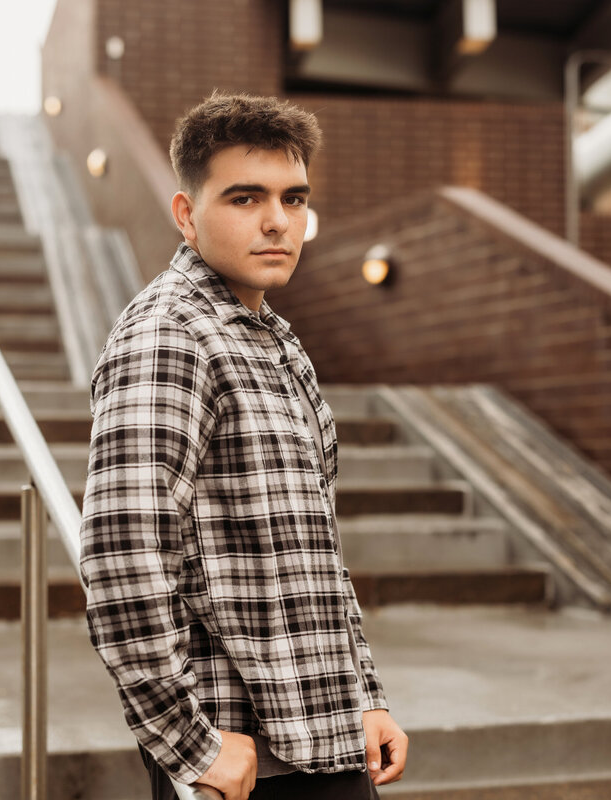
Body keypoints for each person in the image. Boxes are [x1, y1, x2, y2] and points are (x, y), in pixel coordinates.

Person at [79, 92, 408, 800]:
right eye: (244, 198)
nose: (277, 221)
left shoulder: (277, 341)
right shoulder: (169, 334)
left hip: (326, 735)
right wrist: (188, 744)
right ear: (186, 214)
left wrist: (364, 694)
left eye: (294, 199)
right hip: (242, 758)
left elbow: (313, 549)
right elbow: (121, 555)